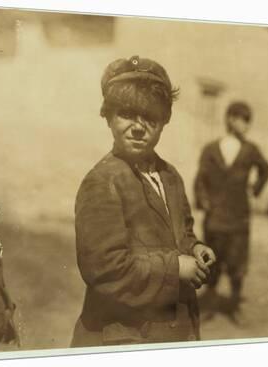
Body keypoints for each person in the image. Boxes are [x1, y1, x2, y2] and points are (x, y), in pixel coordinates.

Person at [70, 55, 216, 347]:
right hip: (120, 337)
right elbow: (105, 268)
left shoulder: (169, 176)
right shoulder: (103, 182)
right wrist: (175, 268)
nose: (138, 127)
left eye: (150, 117)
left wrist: (194, 247)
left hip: (172, 330)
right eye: (126, 114)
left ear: (164, 122)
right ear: (108, 117)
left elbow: (180, 234)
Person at [194, 101, 268, 318]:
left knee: (237, 262)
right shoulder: (211, 149)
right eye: (242, 120)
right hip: (215, 216)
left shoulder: (250, 149)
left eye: (249, 121)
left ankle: (235, 304)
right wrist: (204, 201)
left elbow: (266, 169)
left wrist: (255, 190)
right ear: (230, 119)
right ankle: (209, 301)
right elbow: (200, 179)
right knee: (211, 259)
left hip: (239, 217)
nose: (247, 125)